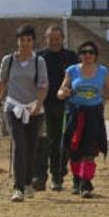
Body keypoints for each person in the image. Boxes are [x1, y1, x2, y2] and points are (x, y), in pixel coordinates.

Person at [56, 41, 109, 198]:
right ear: (80, 55)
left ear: (95, 56)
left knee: (90, 150)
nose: (88, 55)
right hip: (75, 114)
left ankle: (86, 183)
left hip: (94, 115)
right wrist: (63, 93)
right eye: (84, 52)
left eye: (91, 52)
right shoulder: (72, 70)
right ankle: (77, 179)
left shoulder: (102, 71)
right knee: (74, 151)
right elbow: (61, 90)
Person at [0, 24, 48, 202]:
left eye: (29, 40)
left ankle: (28, 183)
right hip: (13, 107)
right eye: (22, 40)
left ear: (33, 41)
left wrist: (39, 102)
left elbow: (44, 86)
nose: (25, 43)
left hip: (34, 109)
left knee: (31, 147)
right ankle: (18, 188)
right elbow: (1, 85)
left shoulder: (39, 62)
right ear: (17, 41)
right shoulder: (9, 60)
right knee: (18, 144)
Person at [33, 24, 79, 191]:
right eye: (51, 39)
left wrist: (71, 90)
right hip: (43, 104)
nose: (54, 42)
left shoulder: (71, 56)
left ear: (63, 39)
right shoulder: (38, 57)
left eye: (57, 39)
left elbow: (78, 79)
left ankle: (57, 177)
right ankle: (39, 177)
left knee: (61, 143)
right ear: (46, 39)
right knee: (42, 141)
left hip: (65, 106)